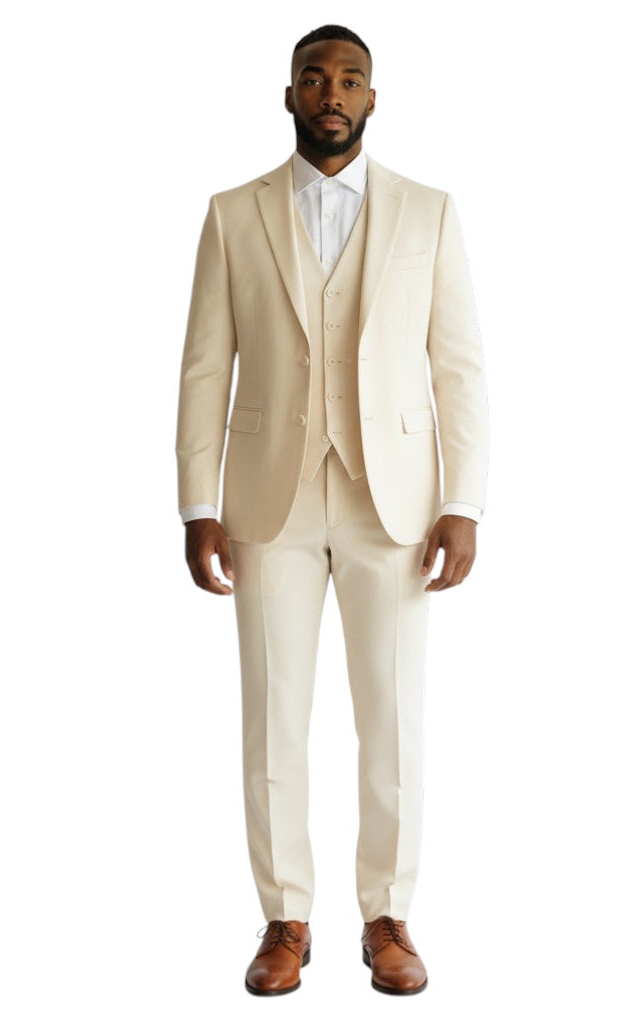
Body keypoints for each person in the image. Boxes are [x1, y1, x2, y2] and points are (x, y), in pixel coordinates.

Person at [175, 24, 489, 996]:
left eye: (350, 79)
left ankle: (387, 915)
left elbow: (459, 367)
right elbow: (203, 368)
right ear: (289, 95)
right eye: (314, 77)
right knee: (273, 713)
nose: (332, 93)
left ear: (372, 99)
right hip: (265, 497)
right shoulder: (232, 214)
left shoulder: (429, 212)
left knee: (391, 716)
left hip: (391, 503)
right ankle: (285, 917)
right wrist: (196, 501)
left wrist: (464, 499)